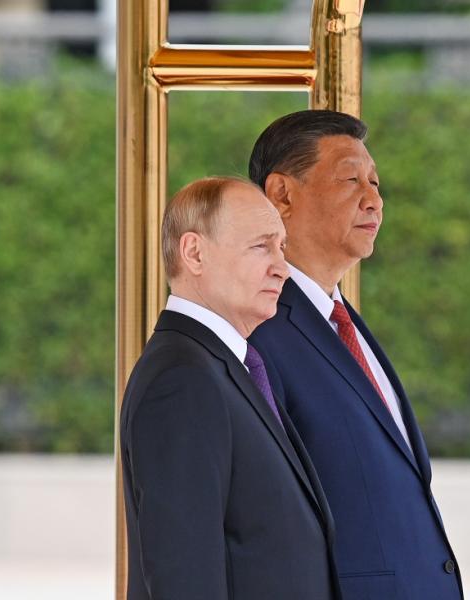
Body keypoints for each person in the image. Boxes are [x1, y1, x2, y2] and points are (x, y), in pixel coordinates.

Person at [248, 110, 463, 600]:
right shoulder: (255, 330)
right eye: (351, 180)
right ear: (282, 194)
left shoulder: (343, 320)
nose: (374, 200)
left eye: (375, 182)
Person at [119, 176, 339, 600]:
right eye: (261, 246)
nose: (282, 267)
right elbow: (184, 577)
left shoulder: (227, 368)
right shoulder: (182, 381)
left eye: (281, 247)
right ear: (194, 253)